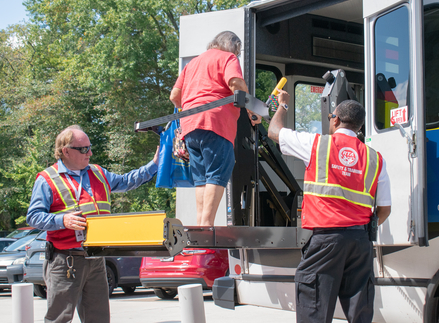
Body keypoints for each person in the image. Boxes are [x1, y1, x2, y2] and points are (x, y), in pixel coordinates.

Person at [268, 91, 391, 323]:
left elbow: (273, 132)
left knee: (315, 309)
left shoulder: (317, 145)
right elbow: (384, 210)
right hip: (360, 242)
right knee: (360, 313)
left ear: (335, 119)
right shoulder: (375, 159)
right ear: (359, 126)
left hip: (325, 241)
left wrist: (282, 105)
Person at [26, 125, 158, 323]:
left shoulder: (97, 172)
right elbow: (34, 217)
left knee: (98, 318)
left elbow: (127, 181)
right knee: (59, 319)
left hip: (95, 259)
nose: (90, 152)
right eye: (84, 149)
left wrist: (155, 164)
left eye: (90, 147)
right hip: (65, 261)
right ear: (66, 151)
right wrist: (62, 220)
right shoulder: (47, 179)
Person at [169, 31, 259, 226]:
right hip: (216, 123)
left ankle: (201, 225)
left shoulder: (192, 63)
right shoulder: (228, 58)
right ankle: (207, 226)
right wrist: (253, 109)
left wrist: (192, 109)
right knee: (217, 174)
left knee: (202, 178)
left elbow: (175, 97)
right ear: (232, 46)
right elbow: (235, 83)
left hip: (190, 127)